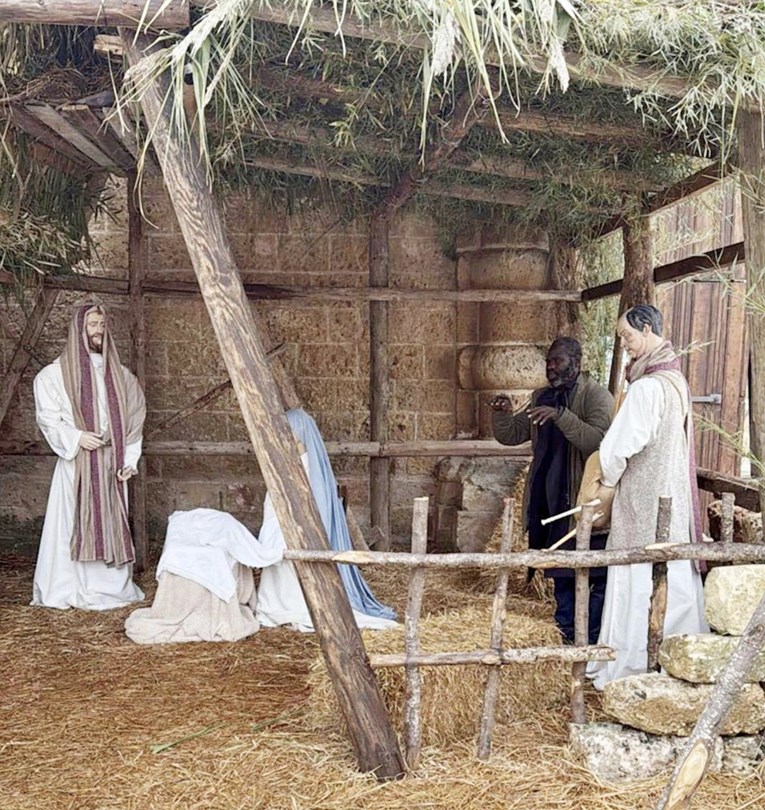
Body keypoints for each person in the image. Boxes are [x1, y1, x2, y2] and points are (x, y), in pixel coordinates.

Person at [589, 305, 707, 690]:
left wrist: (606, 482)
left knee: (639, 581)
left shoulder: (648, 388)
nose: (625, 346)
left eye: (627, 337)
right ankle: (676, 661)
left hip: (645, 499)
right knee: (669, 577)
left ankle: (628, 667)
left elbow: (618, 447)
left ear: (645, 328)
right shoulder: (676, 382)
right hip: (669, 496)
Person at [490, 336, 614, 644]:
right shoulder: (541, 396)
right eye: (548, 361)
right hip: (549, 502)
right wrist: (502, 413)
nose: (550, 367)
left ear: (577, 362)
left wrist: (561, 417)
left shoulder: (597, 397)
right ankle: (566, 635)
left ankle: (590, 637)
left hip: (580, 501)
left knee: (588, 573)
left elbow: (598, 443)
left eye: (557, 361)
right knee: (559, 571)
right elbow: (513, 434)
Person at [31, 304, 146, 610]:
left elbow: (134, 419)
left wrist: (128, 460)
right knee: (72, 523)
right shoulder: (53, 376)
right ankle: (69, 587)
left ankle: (110, 589)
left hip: (111, 463)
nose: (98, 331)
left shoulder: (121, 376)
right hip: (77, 465)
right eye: (92, 325)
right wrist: (77, 437)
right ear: (78, 330)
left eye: (102, 325)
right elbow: (49, 418)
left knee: (110, 519)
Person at [255, 408, 398, 632]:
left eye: (289, 431)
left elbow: (309, 498)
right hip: (281, 519)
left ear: (299, 433)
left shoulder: (307, 464)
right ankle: (276, 602)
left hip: (296, 524)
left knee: (286, 554)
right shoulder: (291, 460)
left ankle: (289, 604)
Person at [125, 508, 284, 644]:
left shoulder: (226, 524)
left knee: (216, 555)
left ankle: (204, 610)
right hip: (194, 530)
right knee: (191, 555)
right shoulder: (184, 523)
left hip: (219, 527)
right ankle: (191, 610)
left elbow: (240, 541)